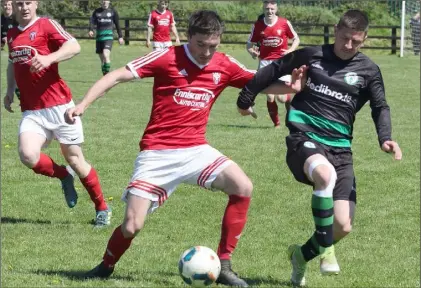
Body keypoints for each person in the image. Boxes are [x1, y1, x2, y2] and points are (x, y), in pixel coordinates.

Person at [65, 10, 305, 287]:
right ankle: (106, 267)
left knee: (243, 186)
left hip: (195, 150)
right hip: (156, 153)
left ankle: (225, 266)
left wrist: (292, 86)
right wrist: (83, 104)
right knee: (132, 226)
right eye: (200, 44)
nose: (206, 52)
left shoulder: (224, 64)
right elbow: (117, 75)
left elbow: (259, 81)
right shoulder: (167, 57)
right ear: (189, 37)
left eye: (212, 46)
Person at [237, 9, 402, 287]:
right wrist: (245, 98)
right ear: (336, 30)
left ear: (364, 39)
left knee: (343, 225)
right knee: (324, 175)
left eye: (356, 42)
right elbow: (274, 69)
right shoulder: (310, 55)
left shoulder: (369, 70)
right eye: (345, 38)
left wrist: (384, 137)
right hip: (304, 139)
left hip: (341, 149)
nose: (349, 46)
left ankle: (300, 256)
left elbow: (380, 106)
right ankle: (327, 251)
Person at [4, 0, 112, 227]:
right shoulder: (12, 33)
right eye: (19, 3)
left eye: (28, 3)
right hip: (33, 111)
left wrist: (48, 58)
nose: (24, 7)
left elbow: (74, 46)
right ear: (12, 6)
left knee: (76, 159)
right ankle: (64, 175)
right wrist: (9, 90)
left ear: (36, 4)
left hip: (61, 108)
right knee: (28, 156)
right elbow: (12, 63)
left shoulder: (46, 25)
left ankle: (102, 208)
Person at [246, 0, 300, 127]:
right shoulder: (258, 25)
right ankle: (277, 124)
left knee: (281, 98)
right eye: (267, 9)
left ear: (276, 9)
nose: (269, 11)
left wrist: (291, 50)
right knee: (269, 97)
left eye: (272, 9)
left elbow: (296, 39)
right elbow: (249, 45)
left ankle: (289, 107)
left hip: (282, 62)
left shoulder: (284, 23)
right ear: (263, 9)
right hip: (265, 63)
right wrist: (252, 52)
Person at [89, 0, 124, 75]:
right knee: (102, 60)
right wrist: (91, 30)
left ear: (109, 2)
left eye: (106, 1)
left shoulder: (112, 11)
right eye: (103, 1)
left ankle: (107, 75)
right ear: (101, 2)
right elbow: (92, 21)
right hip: (99, 38)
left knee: (106, 54)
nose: (105, 3)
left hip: (108, 37)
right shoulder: (96, 12)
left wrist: (120, 36)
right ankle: (105, 76)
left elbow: (117, 25)